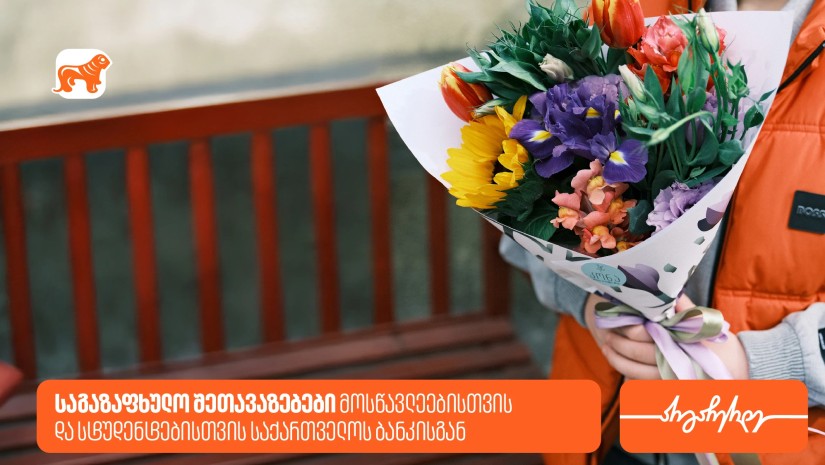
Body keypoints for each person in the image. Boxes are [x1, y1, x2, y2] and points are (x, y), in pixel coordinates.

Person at [501, 0, 825, 463]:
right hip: (605, 433)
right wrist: (591, 302)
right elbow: (523, 227)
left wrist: (763, 362)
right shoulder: (624, 14)